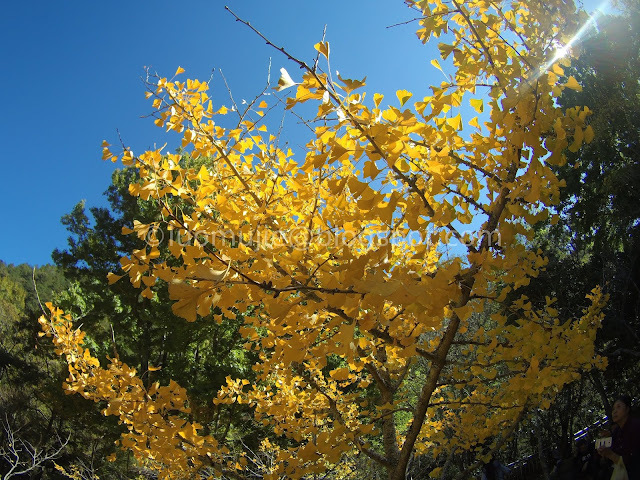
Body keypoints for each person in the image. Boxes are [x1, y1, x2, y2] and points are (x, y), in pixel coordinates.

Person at [597, 395, 640, 479]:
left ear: (627, 409)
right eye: (613, 409)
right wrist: (604, 453)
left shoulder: (636, 427)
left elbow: (633, 461)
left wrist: (611, 455)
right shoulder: (616, 432)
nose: (614, 412)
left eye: (618, 407)